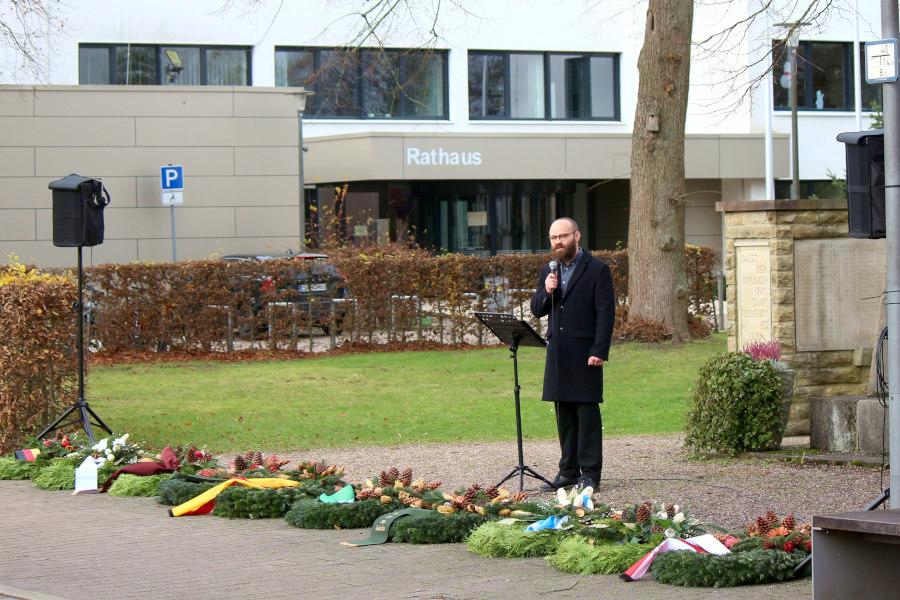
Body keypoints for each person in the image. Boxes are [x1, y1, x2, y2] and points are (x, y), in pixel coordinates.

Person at [530, 217, 615, 491]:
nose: (558, 242)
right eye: (554, 238)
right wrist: (547, 290)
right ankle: (567, 471)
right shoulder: (548, 270)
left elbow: (606, 313)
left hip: (585, 351)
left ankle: (590, 473)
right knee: (563, 413)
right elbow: (537, 308)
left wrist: (599, 350)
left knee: (586, 414)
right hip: (558, 352)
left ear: (576, 235)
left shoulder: (597, 269)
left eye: (563, 236)